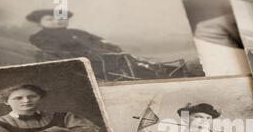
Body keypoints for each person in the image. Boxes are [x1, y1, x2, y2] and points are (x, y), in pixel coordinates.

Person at [26, 9, 182, 81]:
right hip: (85, 60)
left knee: (127, 58)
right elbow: (54, 51)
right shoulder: (41, 36)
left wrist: (109, 45)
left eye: (61, 18)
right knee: (124, 64)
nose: (57, 21)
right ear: (39, 22)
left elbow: (100, 40)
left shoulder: (78, 31)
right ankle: (147, 72)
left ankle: (151, 69)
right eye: (49, 19)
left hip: (105, 55)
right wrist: (89, 54)